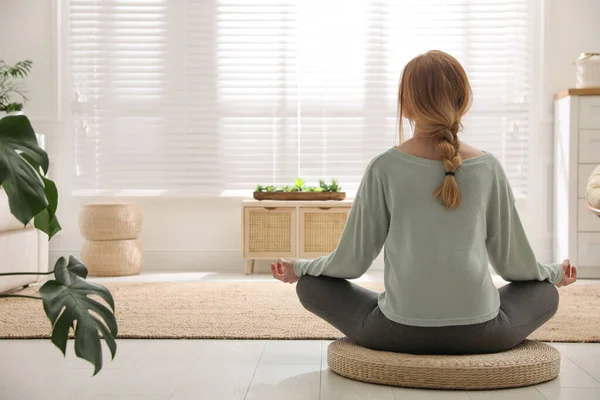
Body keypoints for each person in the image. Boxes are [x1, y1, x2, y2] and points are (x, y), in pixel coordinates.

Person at [270, 50, 577, 355]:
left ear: (404, 105)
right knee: (544, 292)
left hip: (396, 333)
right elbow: (514, 265)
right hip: (482, 335)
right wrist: (554, 273)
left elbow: (351, 261)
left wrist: (300, 267)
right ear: (463, 101)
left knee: (310, 285)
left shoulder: (384, 167)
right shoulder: (488, 167)